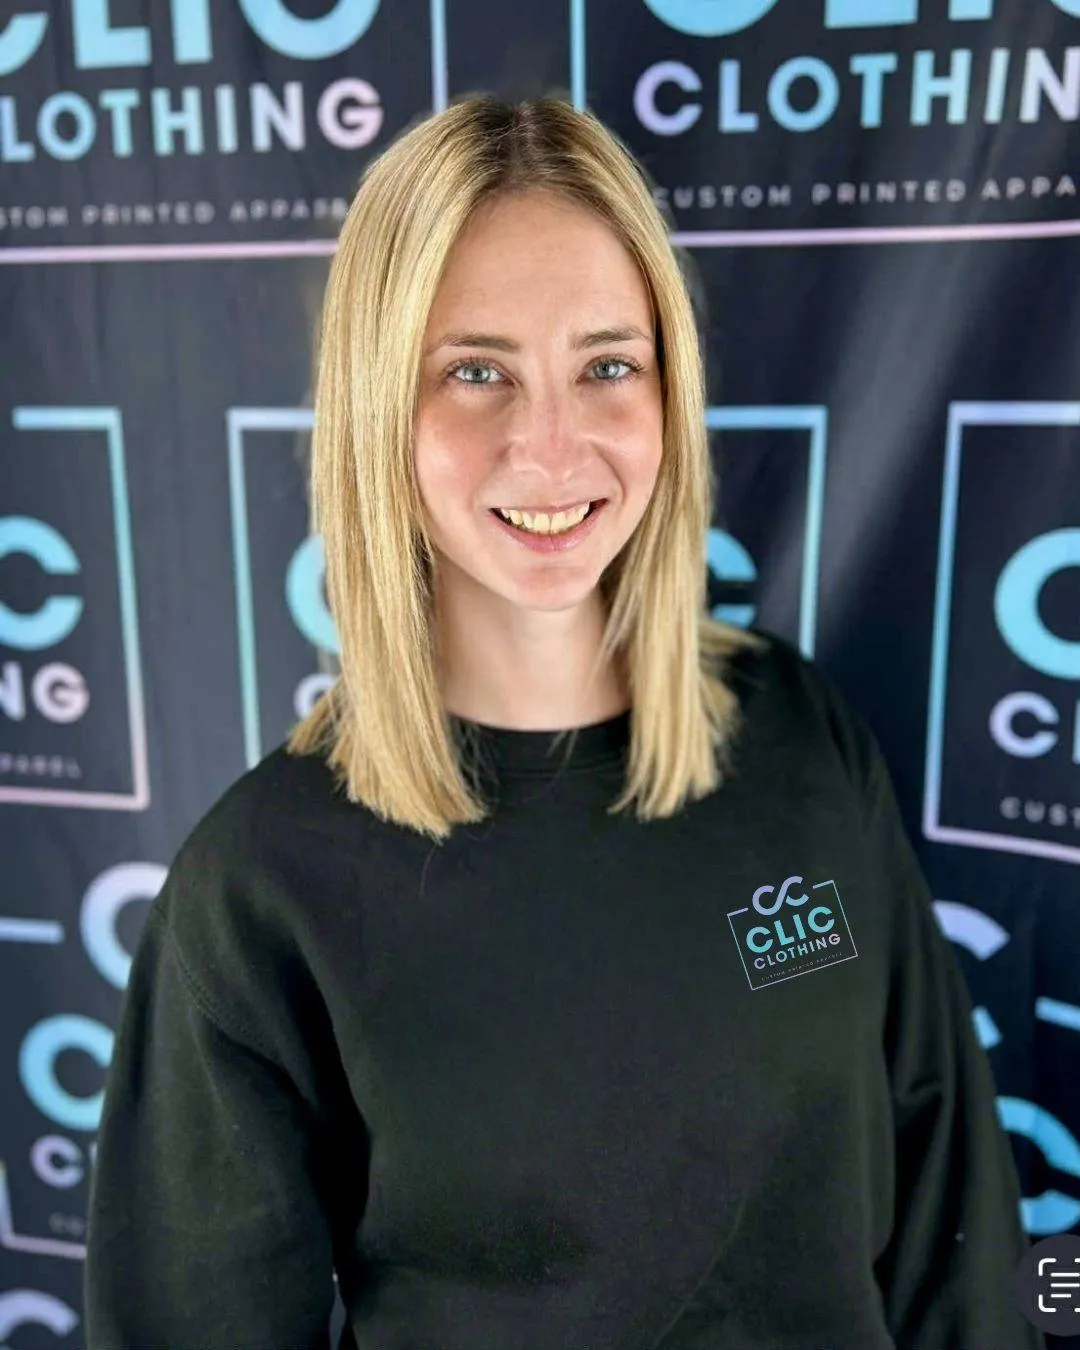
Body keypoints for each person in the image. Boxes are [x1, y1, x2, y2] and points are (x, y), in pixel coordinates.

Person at [83, 94, 1043, 1350]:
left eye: (606, 365)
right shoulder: (263, 891)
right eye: (476, 371)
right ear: (382, 411)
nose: (552, 446)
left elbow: (947, 1215)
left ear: (667, 388)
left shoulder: (798, 733)